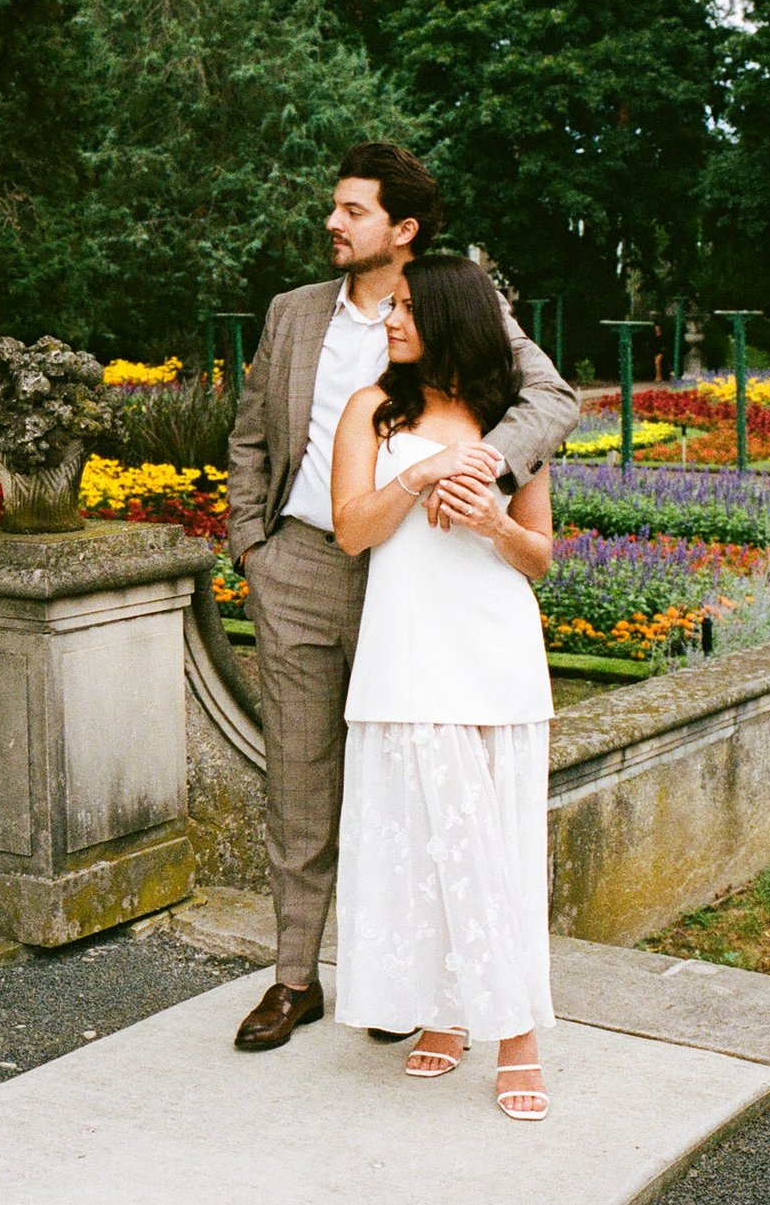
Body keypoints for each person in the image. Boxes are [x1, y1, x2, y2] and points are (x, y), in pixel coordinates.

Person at [224, 144, 577, 1055]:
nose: (332, 222)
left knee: (410, 786)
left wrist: (482, 475)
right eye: (335, 206)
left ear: (404, 228)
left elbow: (549, 398)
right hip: (303, 563)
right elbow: (250, 437)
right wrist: (253, 548)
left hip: (416, 573)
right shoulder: (294, 311)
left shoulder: (457, 303)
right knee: (300, 782)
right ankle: (294, 977)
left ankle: (402, 981)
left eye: (354, 210)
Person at [329, 253, 559, 1121]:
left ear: (451, 317)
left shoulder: (510, 424)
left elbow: (538, 555)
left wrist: (494, 518)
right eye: (390, 306)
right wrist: (419, 473)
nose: (390, 320)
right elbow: (352, 529)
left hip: (494, 650)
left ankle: (510, 1032)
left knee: (491, 846)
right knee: (434, 842)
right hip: (408, 650)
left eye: (406, 307)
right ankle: (453, 1013)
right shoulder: (371, 410)